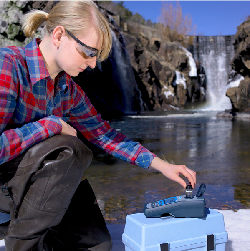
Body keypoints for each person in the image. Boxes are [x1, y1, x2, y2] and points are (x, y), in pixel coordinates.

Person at [0, 1, 196, 250]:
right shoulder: (8, 66)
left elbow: (105, 136)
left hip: (31, 193)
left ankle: (41, 235)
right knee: (70, 149)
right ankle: (22, 245)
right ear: (59, 35)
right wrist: (50, 126)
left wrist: (163, 166)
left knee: (97, 245)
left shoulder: (69, 91)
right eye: (89, 52)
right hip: (3, 190)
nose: (93, 64)